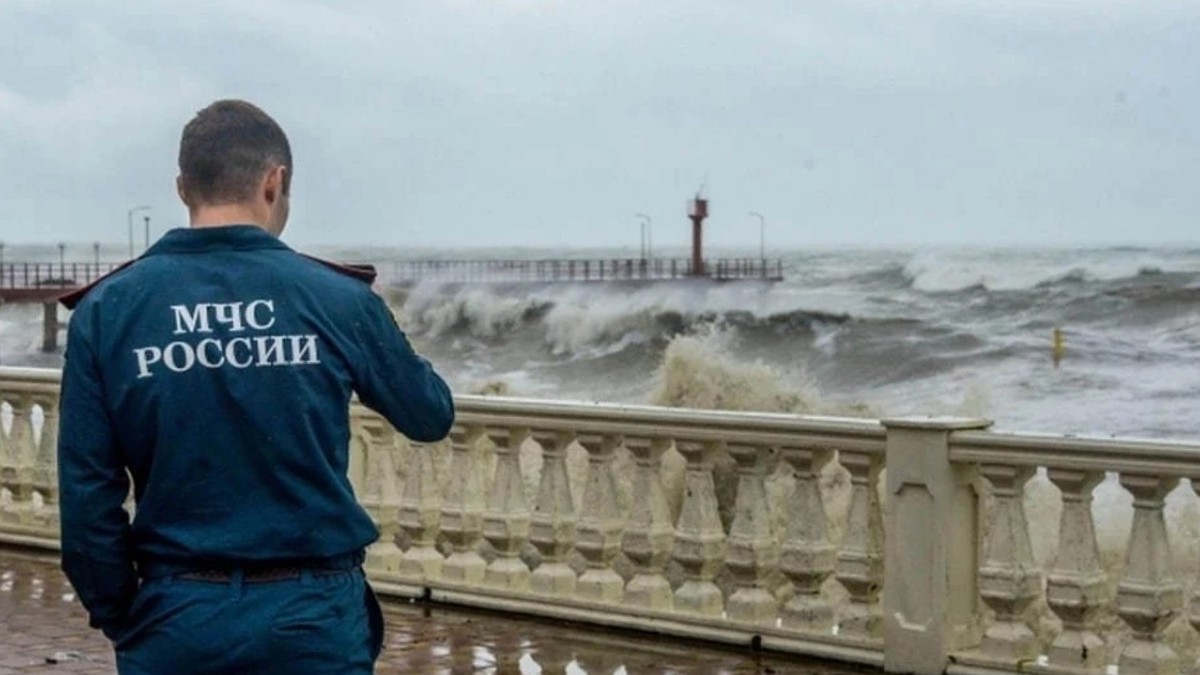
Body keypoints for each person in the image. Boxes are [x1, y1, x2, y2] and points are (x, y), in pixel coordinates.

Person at [57, 99, 455, 673]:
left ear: (181, 187)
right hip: (311, 617)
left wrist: (126, 618)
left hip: (175, 617)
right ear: (276, 182)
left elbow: (86, 501)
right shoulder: (336, 299)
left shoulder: (108, 311)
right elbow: (430, 414)